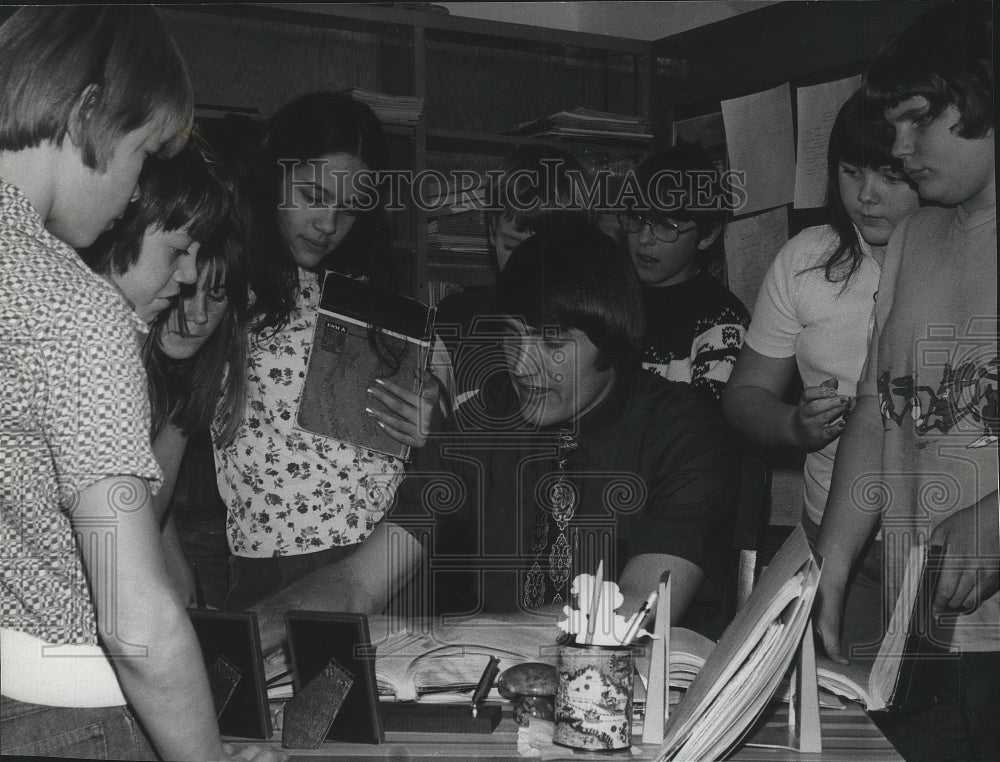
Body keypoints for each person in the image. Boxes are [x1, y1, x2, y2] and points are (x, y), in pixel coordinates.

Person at [0, 7, 278, 761]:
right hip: (70, 715)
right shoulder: (70, 306)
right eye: (141, 153)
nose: (132, 195)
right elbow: (135, 620)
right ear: (89, 111)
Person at [391, 222, 737, 631]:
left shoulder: (686, 434)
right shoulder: (485, 419)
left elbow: (629, 621)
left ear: (610, 341)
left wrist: (464, 633)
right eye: (511, 336)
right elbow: (365, 576)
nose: (520, 366)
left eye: (552, 345)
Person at [814, 3, 997, 761]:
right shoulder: (914, 236)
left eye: (919, 120)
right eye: (891, 124)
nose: (899, 146)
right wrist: (829, 570)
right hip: (915, 627)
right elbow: (875, 413)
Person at [214, 92, 429, 650]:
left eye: (351, 208)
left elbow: (438, 434)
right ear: (271, 178)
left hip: (383, 560)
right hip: (275, 562)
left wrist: (434, 420)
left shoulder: (372, 294)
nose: (329, 223)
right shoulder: (218, 285)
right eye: (312, 195)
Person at [722, 90, 921, 654]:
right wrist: (793, 427)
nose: (866, 195)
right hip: (831, 536)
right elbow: (745, 396)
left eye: (890, 175)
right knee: (840, 712)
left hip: (946, 549)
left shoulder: (957, 261)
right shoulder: (807, 260)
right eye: (851, 171)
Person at [433, 144, 594, 410]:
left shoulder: (590, 336)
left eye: (545, 251)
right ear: (491, 233)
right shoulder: (454, 318)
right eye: (513, 246)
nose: (526, 267)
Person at [619, 140, 750, 403]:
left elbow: (701, 430)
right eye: (637, 219)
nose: (644, 238)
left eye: (665, 226)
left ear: (707, 235)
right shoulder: (615, 296)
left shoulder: (721, 322)